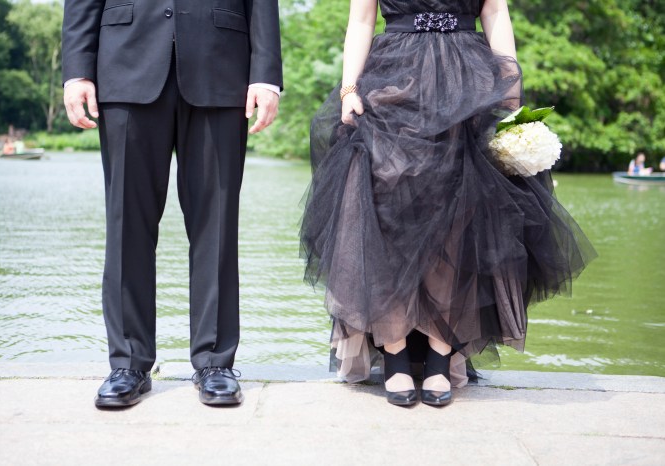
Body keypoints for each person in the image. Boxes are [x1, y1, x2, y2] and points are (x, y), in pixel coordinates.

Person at [300, 0, 596, 407]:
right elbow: (361, 18)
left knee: (458, 219)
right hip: (393, 77)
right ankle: (395, 352)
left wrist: (509, 82)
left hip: (466, 79)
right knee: (387, 218)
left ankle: (443, 353)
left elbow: (494, 12)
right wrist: (349, 87)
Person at [62, 0, 282, 408]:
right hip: (125, 61)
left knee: (215, 225)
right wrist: (77, 70)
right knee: (126, 223)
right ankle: (128, 362)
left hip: (221, 64)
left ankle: (215, 362)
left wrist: (266, 75)